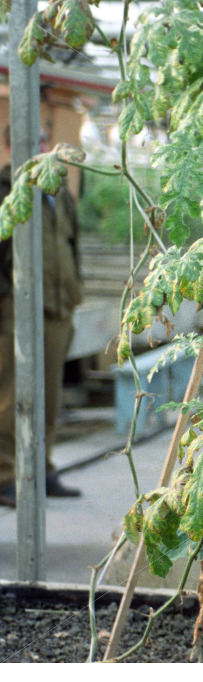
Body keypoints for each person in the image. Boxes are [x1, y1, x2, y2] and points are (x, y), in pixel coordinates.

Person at [0, 125, 83, 507]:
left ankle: (42, 469)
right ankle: (4, 476)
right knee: (11, 394)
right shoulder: (5, 188)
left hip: (58, 304)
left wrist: (74, 288)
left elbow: (71, 242)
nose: (44, 147)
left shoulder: (58, 190)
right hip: (16, 307)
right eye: (36, 141)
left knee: (50, 394)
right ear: (13, 145)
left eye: (46, 140)